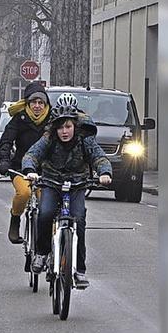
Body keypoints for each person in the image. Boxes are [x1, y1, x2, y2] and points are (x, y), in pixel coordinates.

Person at [21, 97, 112, 289]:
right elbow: (33, 153)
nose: (64, 131)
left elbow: (98, 156)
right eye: (60, 127)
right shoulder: (48, 139)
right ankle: (42, 253)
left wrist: (104, 172)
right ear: (55, 129)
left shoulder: (85, 139)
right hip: (52, 182)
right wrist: (30, 169)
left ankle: (79, 271)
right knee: (45, 214)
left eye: (68, 126)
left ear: (75, 126)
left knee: (78, 220)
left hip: (77, 184)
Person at [0, 81, 52, 244]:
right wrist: (4, 160)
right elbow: (6, 141)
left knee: (46, 203)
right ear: (27, 103)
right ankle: (15, 220)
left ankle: (44, 240)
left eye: (41, 102)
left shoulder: (52, 120)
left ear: (45, 104)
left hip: (45, 170)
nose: (37, 106)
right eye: (33, 102)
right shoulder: (18, 119)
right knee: (25, 193)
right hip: (20, 168)